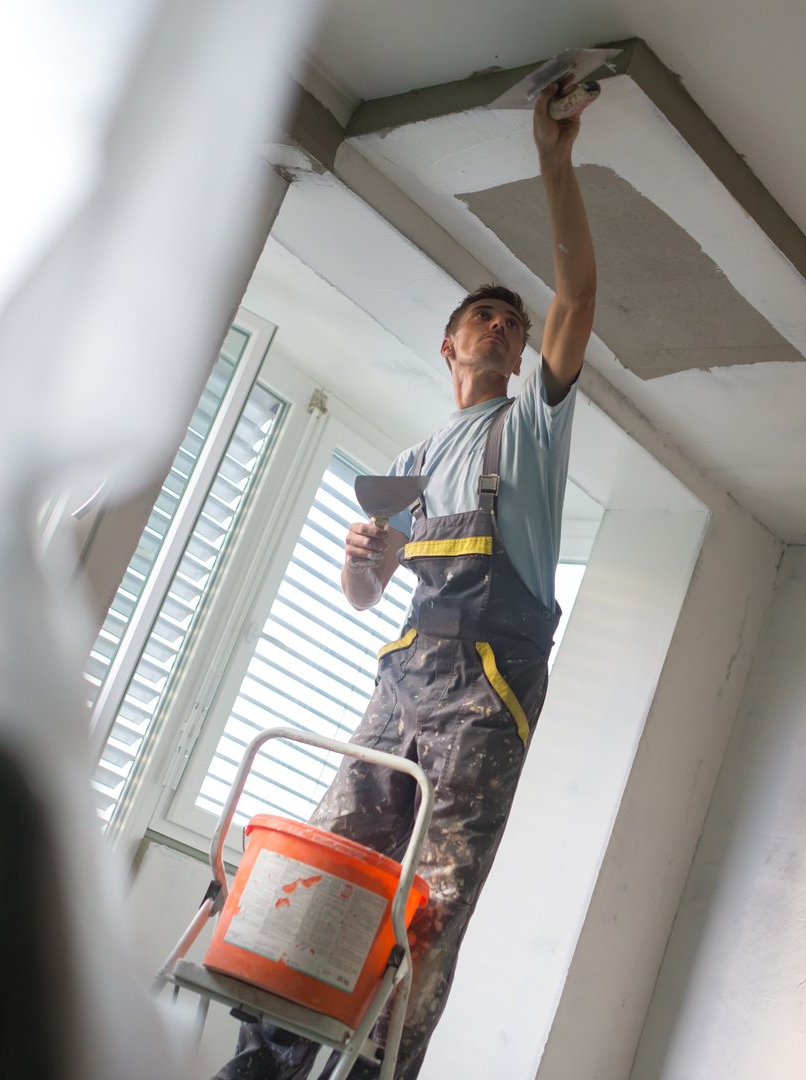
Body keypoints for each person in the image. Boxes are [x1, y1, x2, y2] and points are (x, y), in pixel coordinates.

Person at [215, 78, 597, 1080]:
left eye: (514, 319)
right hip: (397, 690)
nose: (505, 324)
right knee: (321, 875)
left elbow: (579, 298)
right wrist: (358, 563)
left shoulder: (532, 432)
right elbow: (363, 596)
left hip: (482, 696)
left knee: (427, 911)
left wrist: (553, 159)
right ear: (451, 342)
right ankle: (263, 1063)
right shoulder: (406, 463)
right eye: (485, 314)